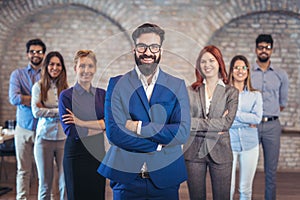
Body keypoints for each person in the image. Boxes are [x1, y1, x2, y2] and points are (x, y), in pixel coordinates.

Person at [97, 23, 191, 199]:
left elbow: (182, 132)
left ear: (161, 50)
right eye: (142, 46)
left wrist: (139, 127)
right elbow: (115, 133)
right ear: (134, 49)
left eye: (154, 47)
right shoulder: (116, 84)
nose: (148, 52)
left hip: (166, 178)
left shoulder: (176, 85)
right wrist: (158, 144)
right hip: (126, 179)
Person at [183, 45, 239, 200]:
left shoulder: (231, 92)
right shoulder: (190, 90)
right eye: (203, 62)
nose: (207, 65)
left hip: (221, 150)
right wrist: (215, 124)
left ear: (219, 63)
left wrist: (198, 124)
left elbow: (226, 123)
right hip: (193, 151)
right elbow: (186, 122)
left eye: (211, 60)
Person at [58, 50, 106, 200]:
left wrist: (81, 122)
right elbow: (72, 131)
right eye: (82, 66)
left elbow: (109, 124)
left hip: (98, 154)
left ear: (95, 68)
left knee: (97, 196)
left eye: (90, 66)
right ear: (75, 68)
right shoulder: (66, 96)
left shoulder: (102, 95)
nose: (86, 70)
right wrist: (99, 126)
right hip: (76, 156)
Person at [251, 34, 289, 200]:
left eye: (267, 48)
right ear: (256, 49)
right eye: (261, 47)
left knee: (271, 171)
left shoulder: (281, 75)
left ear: (272, 50)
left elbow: (282, 103)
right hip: (251, 126)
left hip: (272, 126)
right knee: (247, 168)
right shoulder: (248, 72)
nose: (263, 50)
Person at [9, 38, 46, 200]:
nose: (35, 54)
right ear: (27, 54)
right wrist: (36, 100)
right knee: (23, 171)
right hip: (23, 128)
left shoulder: (48, 74)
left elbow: (51, 100)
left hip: (44, 129)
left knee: (45, 171)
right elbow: (14, 98)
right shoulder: (17, 74)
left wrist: (29, 99)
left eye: (39, 51)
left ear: (44, 54)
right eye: (32, 51)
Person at [31, 51, 68, 200]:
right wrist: (58, 110)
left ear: (62, 68)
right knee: (45, 184)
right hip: (44, 139)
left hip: (63, 139)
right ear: (46, 66)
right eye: (52, 64)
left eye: (58, 64)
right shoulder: (38, 87)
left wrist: (46, 108)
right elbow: (36, 112)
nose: (55, 67)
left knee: (65, 183)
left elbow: (68, 112)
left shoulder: (66, 89)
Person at [228, 55, 263, 200]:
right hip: (228, 145)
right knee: (227, 188)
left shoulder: (256, 95)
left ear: (248, 71)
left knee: (245, 189)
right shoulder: (224, 93)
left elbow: (257, 118)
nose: (240, 71)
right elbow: (223, 121)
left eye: (243, 67)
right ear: (231, 71)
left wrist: (233, 114)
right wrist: (246, 119)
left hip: (250, 146)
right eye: (236, 67)